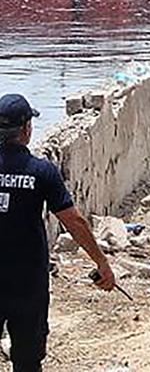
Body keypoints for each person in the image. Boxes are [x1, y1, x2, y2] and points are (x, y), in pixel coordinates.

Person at [0, 95, 117, 372]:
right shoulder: (41, 172)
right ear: (27, 129)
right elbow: (74, 222)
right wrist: (101, 262)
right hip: (27, 283)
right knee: (27, 361)